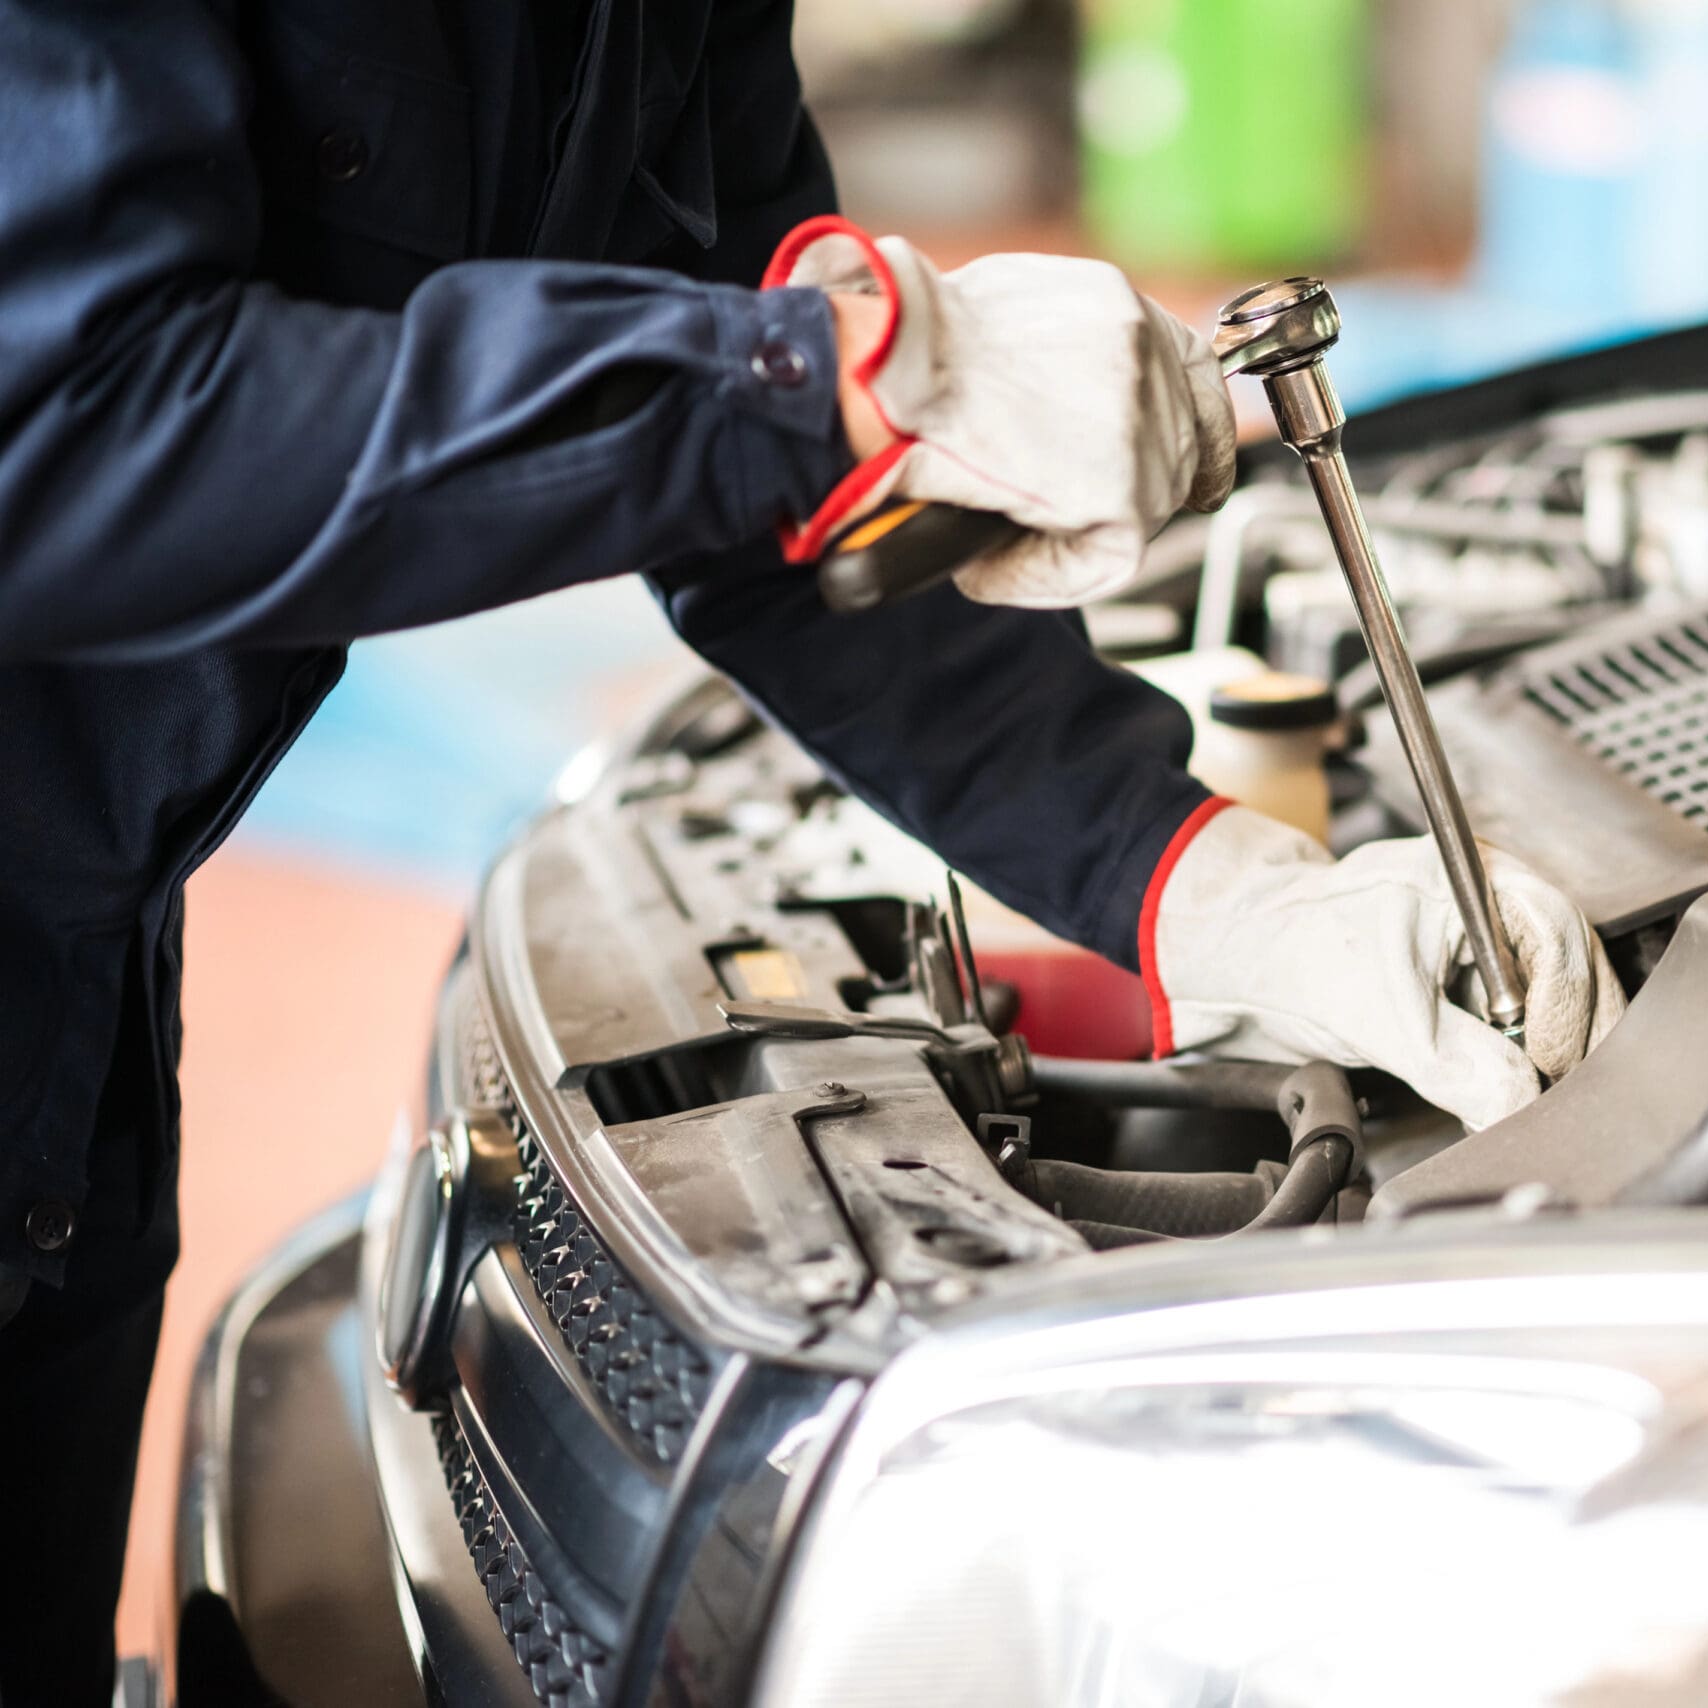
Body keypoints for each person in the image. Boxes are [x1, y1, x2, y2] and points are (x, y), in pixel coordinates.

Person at [0, 0, 1621, 1695]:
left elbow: (794, 518)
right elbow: (73, 416)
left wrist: (1216, 886)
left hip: (82, 1008)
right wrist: (849, 372)